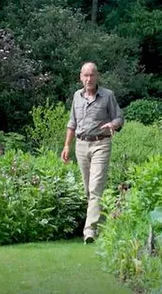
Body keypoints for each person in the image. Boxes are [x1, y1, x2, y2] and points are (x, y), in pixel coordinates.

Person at [61, 62, 124, 243]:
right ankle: (101, 225)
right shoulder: (77, 97)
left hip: (101, 144)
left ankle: (89, 231)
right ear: (81, 77)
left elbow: (119, 117)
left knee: (96, 188)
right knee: (89, 191)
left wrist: (113, 124)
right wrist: (67, 146)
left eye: (92, 75)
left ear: (97, 77)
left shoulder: (107, 96)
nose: (89, 79)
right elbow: (72, 123)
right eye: (85, 75)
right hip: (81, 145)